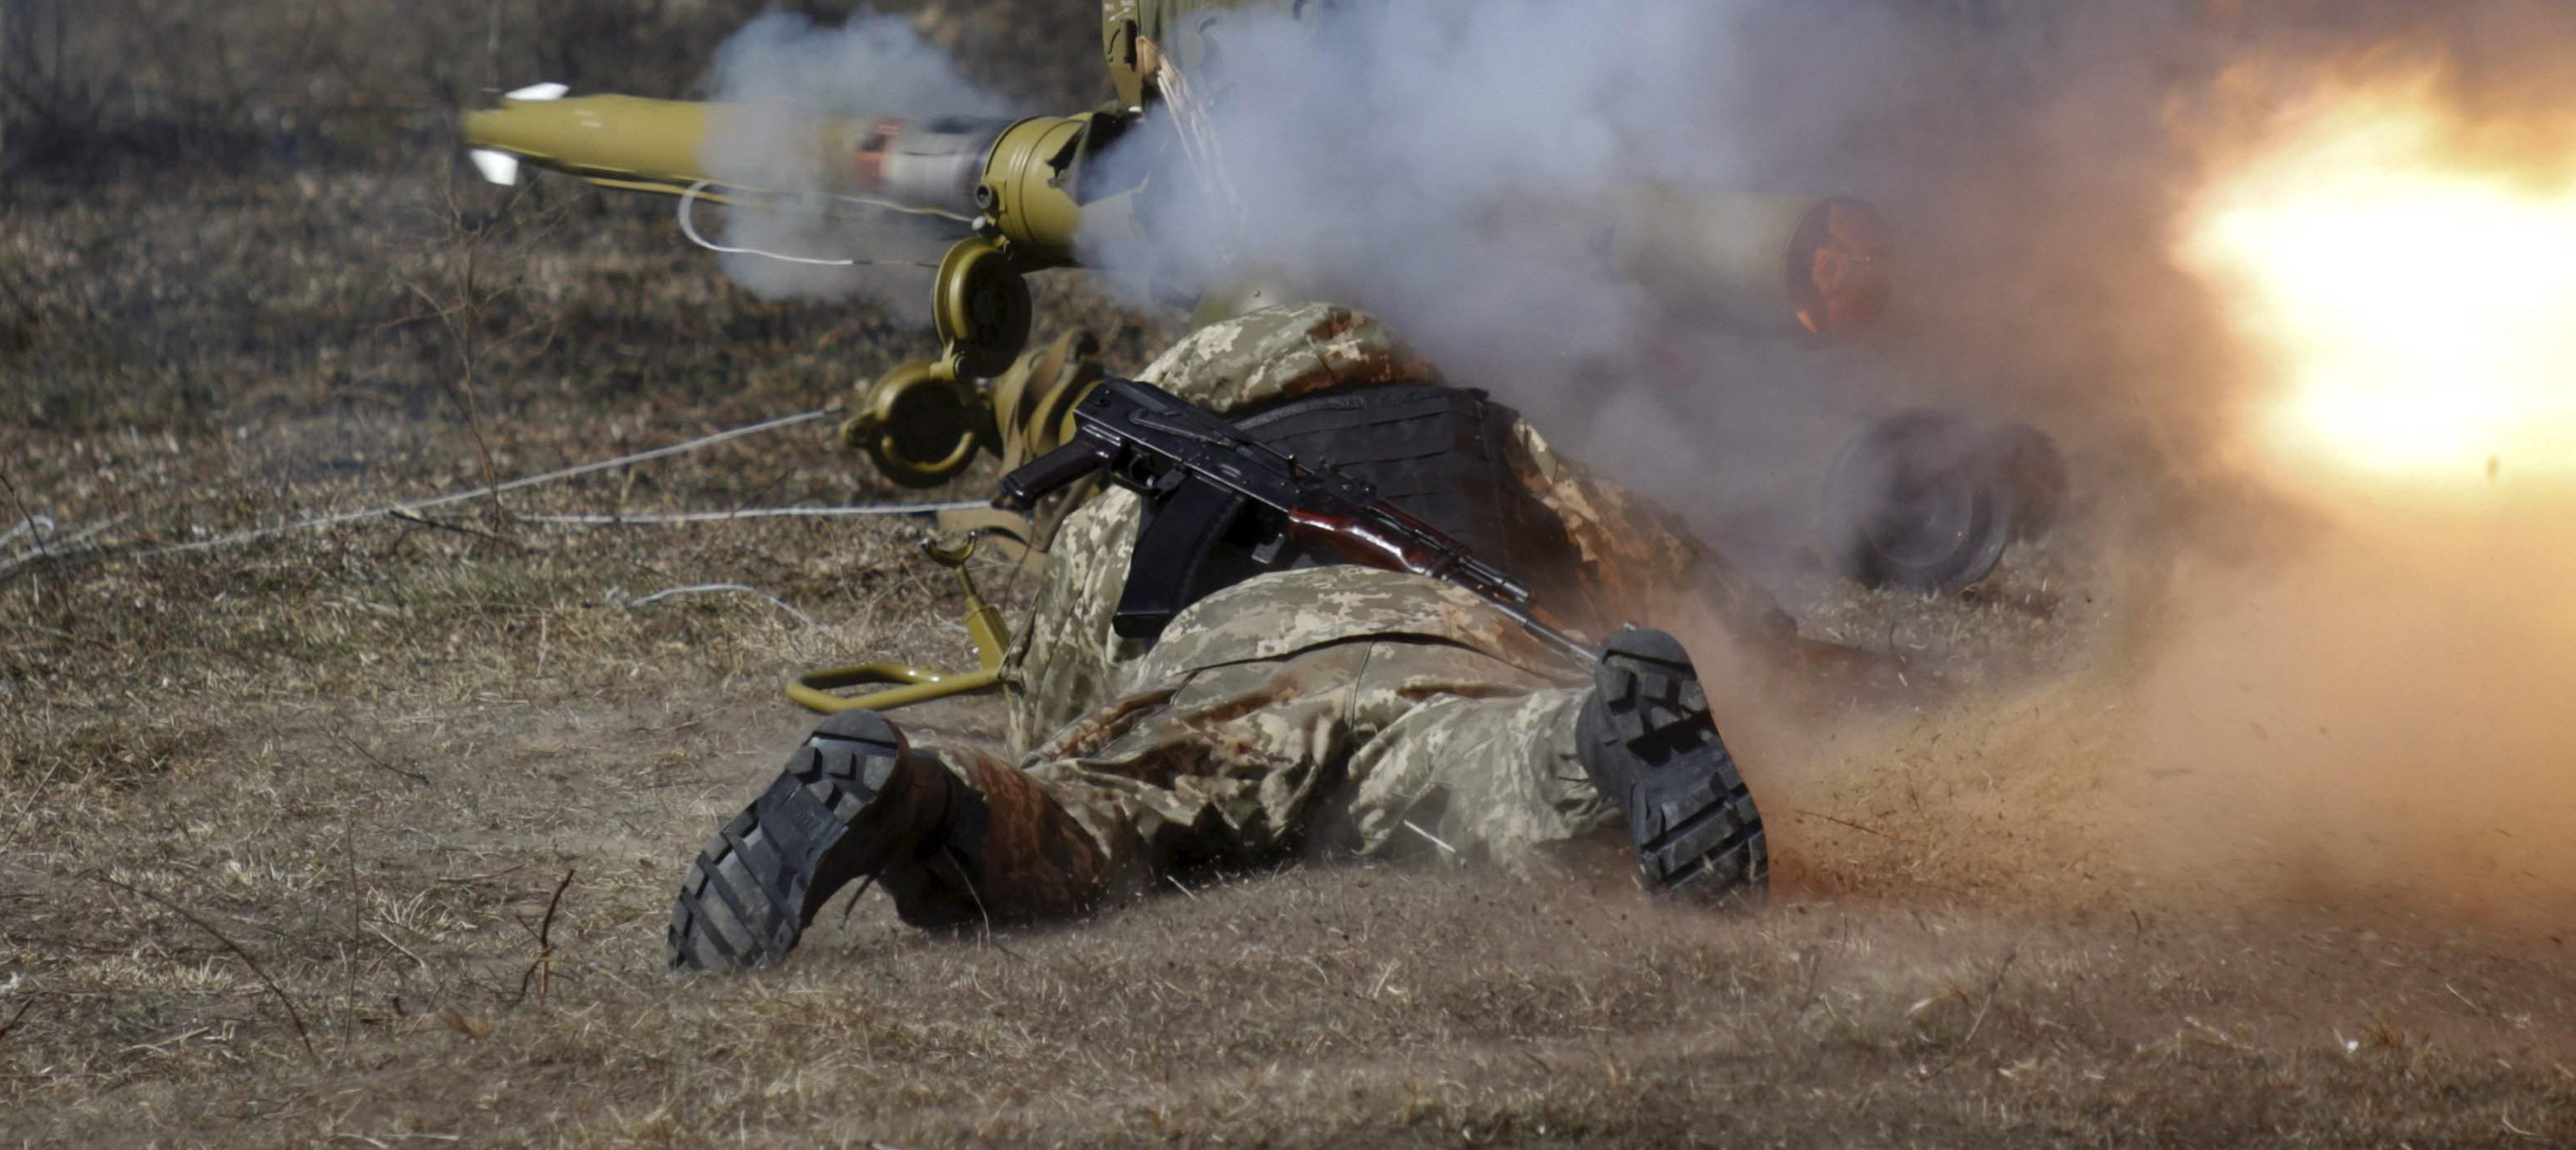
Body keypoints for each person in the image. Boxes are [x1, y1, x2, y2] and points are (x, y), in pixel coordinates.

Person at [668, 303, 1857, 971]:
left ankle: (914, 795)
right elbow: (1663, 570)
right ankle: (1595, 744)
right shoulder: (1483, 437)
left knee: (1083, 815)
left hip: (1217, 672)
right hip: (1444, 654)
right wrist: (1805, 662)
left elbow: (1071, 674)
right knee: (1491, 770)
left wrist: (1051, 755)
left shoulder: (1124, 490)